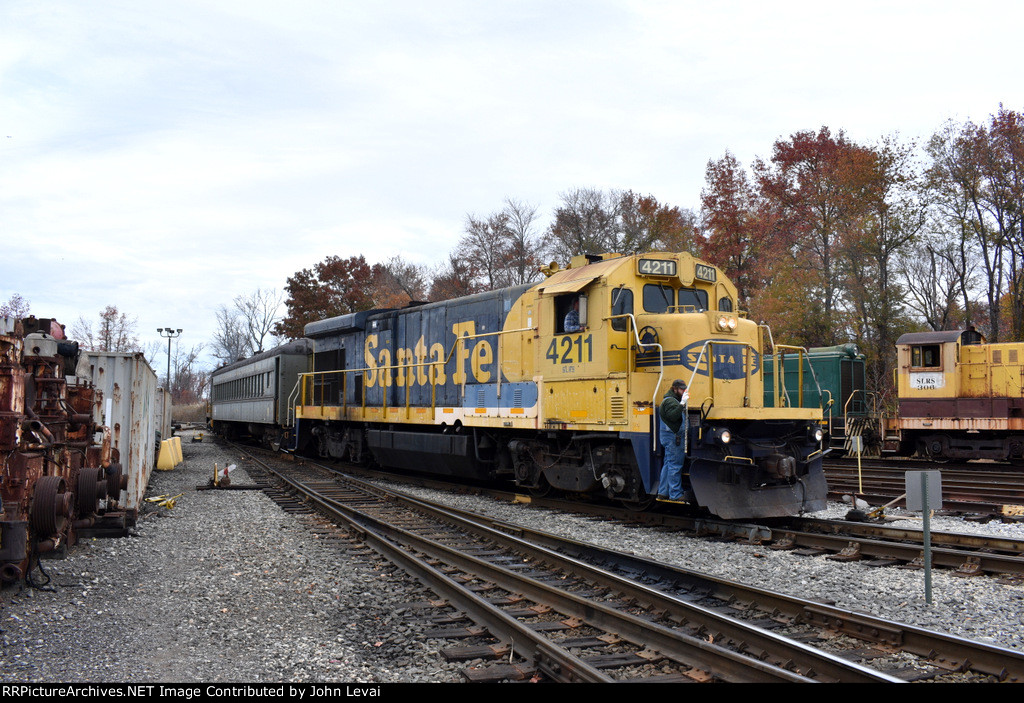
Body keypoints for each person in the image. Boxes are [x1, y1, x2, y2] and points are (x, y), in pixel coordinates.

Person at [657, 379, 689, 501]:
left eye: (684, 389)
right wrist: (682, 404)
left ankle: (663, 492)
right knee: (675, 465)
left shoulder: (670, 400)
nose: (683, 391)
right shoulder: (670, 401)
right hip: (673, 438)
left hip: (670, 437)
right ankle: (675, 494)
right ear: (674, 389)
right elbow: (673, 416)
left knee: (668, 464)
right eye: (681, 389)